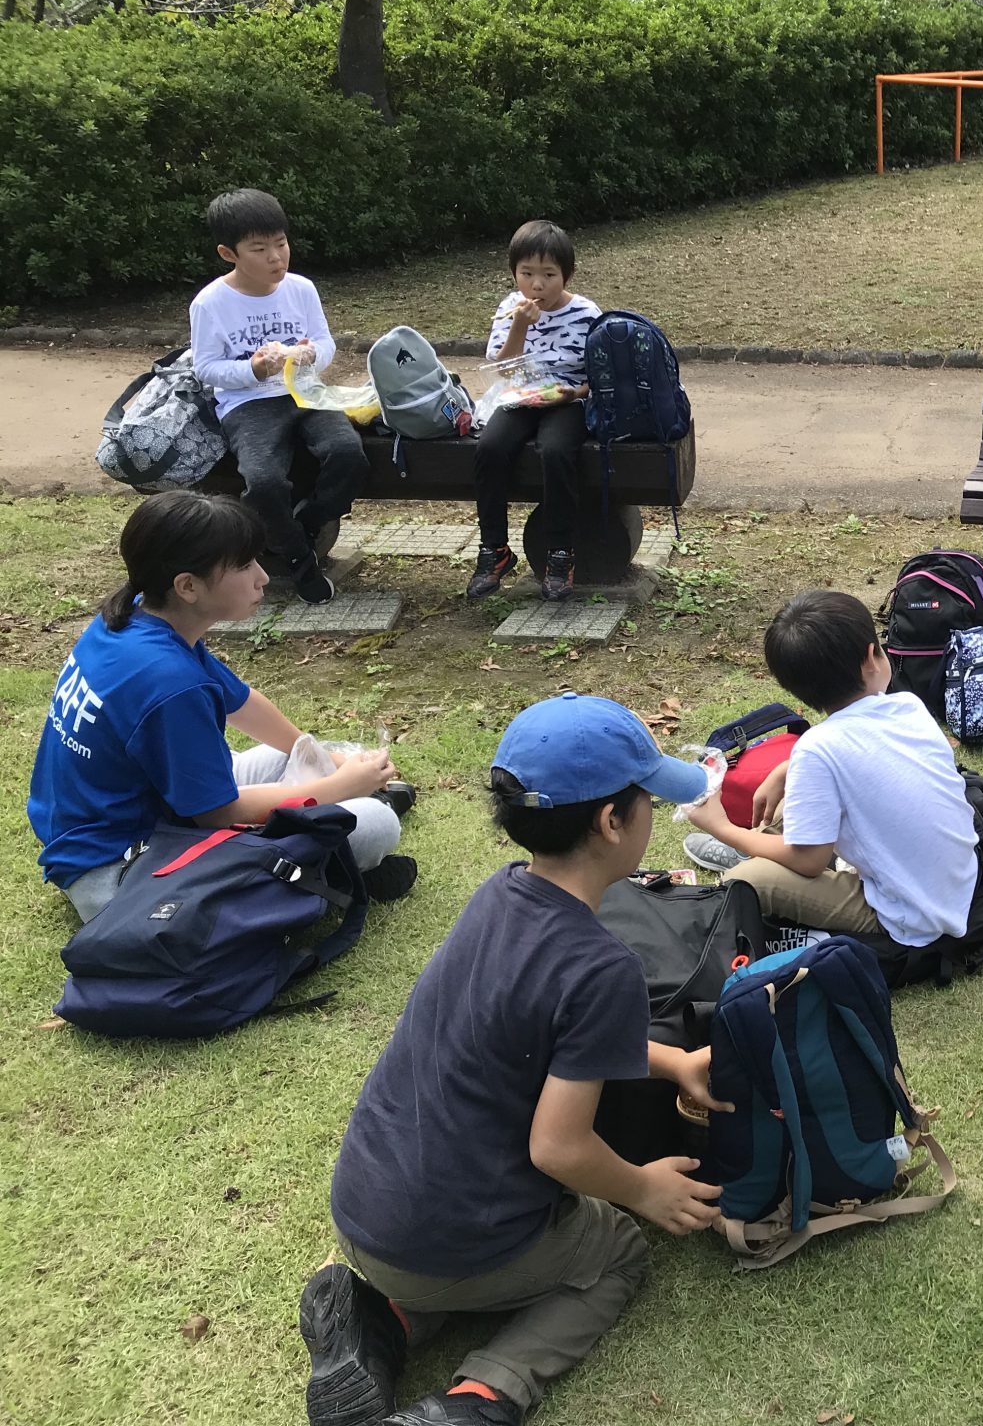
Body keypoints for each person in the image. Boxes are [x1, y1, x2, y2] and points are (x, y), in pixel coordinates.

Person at [303, 694, 729, 1426]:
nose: (653, 818)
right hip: (444, 1240)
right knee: (616, 1250)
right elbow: (559, 1149)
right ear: (612, 822)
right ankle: (480, 1399)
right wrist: (643, 1189)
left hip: (364, 1207)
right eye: (650, 802)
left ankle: (380, 1322)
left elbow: (538, 1031)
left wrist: (670, 1063)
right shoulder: (601, 967)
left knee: (462, 1265)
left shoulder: (497, 896)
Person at [27, 491, 413, 922]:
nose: (262, 577)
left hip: (125, 823)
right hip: (123, 874)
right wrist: (341, 786)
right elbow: (219, 814)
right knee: (374, 824)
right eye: (244, 566)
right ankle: (332, 873)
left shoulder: (133, 615)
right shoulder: (171, 682)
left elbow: (241, 702)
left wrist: (331, 761)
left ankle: (331, 836)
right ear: (187, 586)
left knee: (291, 754)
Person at [682, 590, 980, 956]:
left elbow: (809, 862)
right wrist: (788, 769)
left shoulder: (818, 748)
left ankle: (746, 852)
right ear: (872, 658)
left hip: (910, 916)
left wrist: (723, 828)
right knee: (795, 803)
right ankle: (756, 848)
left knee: (745, 881)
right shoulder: (908, 706)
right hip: (959, 883)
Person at [189, 188, 366, 605]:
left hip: (303, 393)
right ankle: (300, 558)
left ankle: (310, 522)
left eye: (281, 243)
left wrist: (310, 355)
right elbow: (206, 368)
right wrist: (252, 370)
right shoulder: (211, 303)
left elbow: (324, 343)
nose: (276, 257)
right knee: (265, 482)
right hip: (248, 404)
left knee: (348, 454)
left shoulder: (301, 289)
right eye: (259, 249)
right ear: (228, 253)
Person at [468, 219, 605, 603]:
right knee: (490, 447)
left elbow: (600, 375)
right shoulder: (510, 309)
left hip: (568, 400)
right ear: (514, 273)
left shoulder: (586, 313)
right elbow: (501, 371)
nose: (537, 285)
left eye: (548, 275)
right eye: (527, 274)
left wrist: (574, 393)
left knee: (556, 451)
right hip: (520, 396)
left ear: (566, 275)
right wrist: (520, 327)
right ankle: (494, 549)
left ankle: (560, 553)